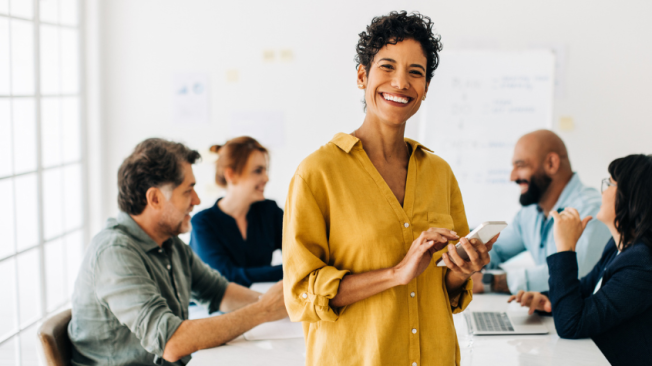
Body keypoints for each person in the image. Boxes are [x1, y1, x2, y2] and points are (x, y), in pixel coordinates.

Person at [283, 11, 497, 366]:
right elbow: (302, 293)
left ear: (425, 88)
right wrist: (396, 274)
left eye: (416, 72)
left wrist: (465, 268)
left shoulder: (439, 173)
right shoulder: (317, 173)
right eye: (387, 67)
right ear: (362, 76)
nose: (401, 83)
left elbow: (444, 289)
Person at [68, 138, 287, 366]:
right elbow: (172, 342)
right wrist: (263, 310)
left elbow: (219, 292)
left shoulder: (170, 244)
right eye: (187, 191)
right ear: (154, 199)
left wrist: (282, 306)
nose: (197, 200)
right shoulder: (114, 253)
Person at [508, 154, 652, 366]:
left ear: (631, 196)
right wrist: (548, 301)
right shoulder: (617, 247)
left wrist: (565, 247)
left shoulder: (641, 263)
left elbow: (571, 326)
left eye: (610, 183)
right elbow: (584, 289)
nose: (603, 191)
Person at [473, 130, 611, 294]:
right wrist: (472, 259)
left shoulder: (590, 211)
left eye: (520, 165)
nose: (512, 176)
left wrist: (492, 282)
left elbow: (574, 272)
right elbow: (496, 249)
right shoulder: (530, 213)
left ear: (551, 164)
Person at [190, 137, 283, 287]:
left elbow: (302, 256)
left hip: (259, 299)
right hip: (212, 309)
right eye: (258, 171)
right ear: (231, 175)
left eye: (265, 170)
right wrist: (288, 271)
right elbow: (226, 277)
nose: (266, 178)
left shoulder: (270, 212)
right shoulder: (202, 223)